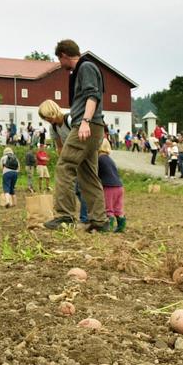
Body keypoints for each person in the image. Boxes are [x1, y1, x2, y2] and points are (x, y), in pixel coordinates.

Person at [41, 40, 109, 232]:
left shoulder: (86, 67)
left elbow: (92, 96)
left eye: (59, 59)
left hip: (85, 125)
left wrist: (85, 121)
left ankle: (64, 216)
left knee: (65, 166)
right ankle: (100, 220)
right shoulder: (82, 69)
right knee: (87, 174)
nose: (60, 64)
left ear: (63, 55)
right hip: (92, 126)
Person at [97, 140, 126, 233]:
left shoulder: (99, 159)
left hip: (109, 186)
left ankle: (108, 227)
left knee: (108, 207)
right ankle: (121, 227)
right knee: (118, 207)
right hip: (119, 186)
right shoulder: (109, 159)